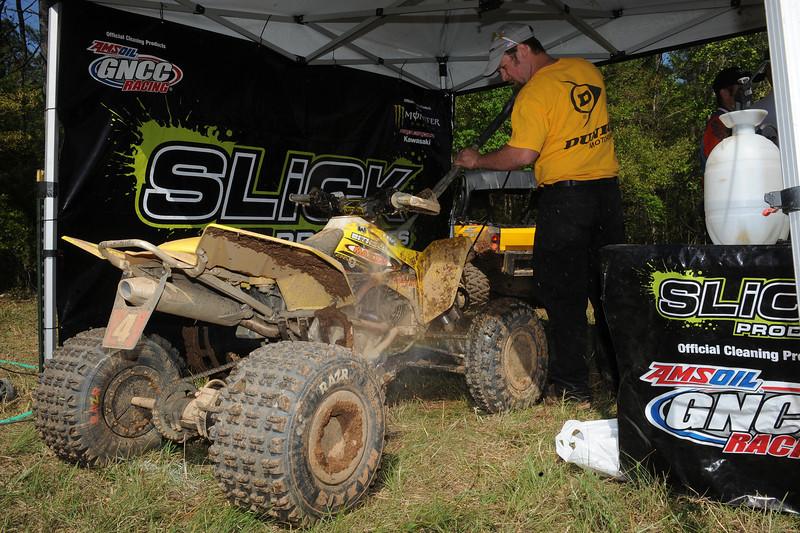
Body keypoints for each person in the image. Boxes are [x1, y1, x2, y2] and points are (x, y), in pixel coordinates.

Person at [455, 23, 624, 404]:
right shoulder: (587, 70)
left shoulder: (534, 92)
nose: (504, 77)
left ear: (521, 51)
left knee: (562, 293)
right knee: (609, 293)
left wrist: (476, 160)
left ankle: (571, 386)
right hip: (607, 196)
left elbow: (522, 155)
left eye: (504, 67)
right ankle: (620, 380)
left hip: (567, 200)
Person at [700, 67, 745, 171]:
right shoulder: (719, 122)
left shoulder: (728, 120)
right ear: (725, 93)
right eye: (740, 89)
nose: (745, 93)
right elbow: (716, 165)